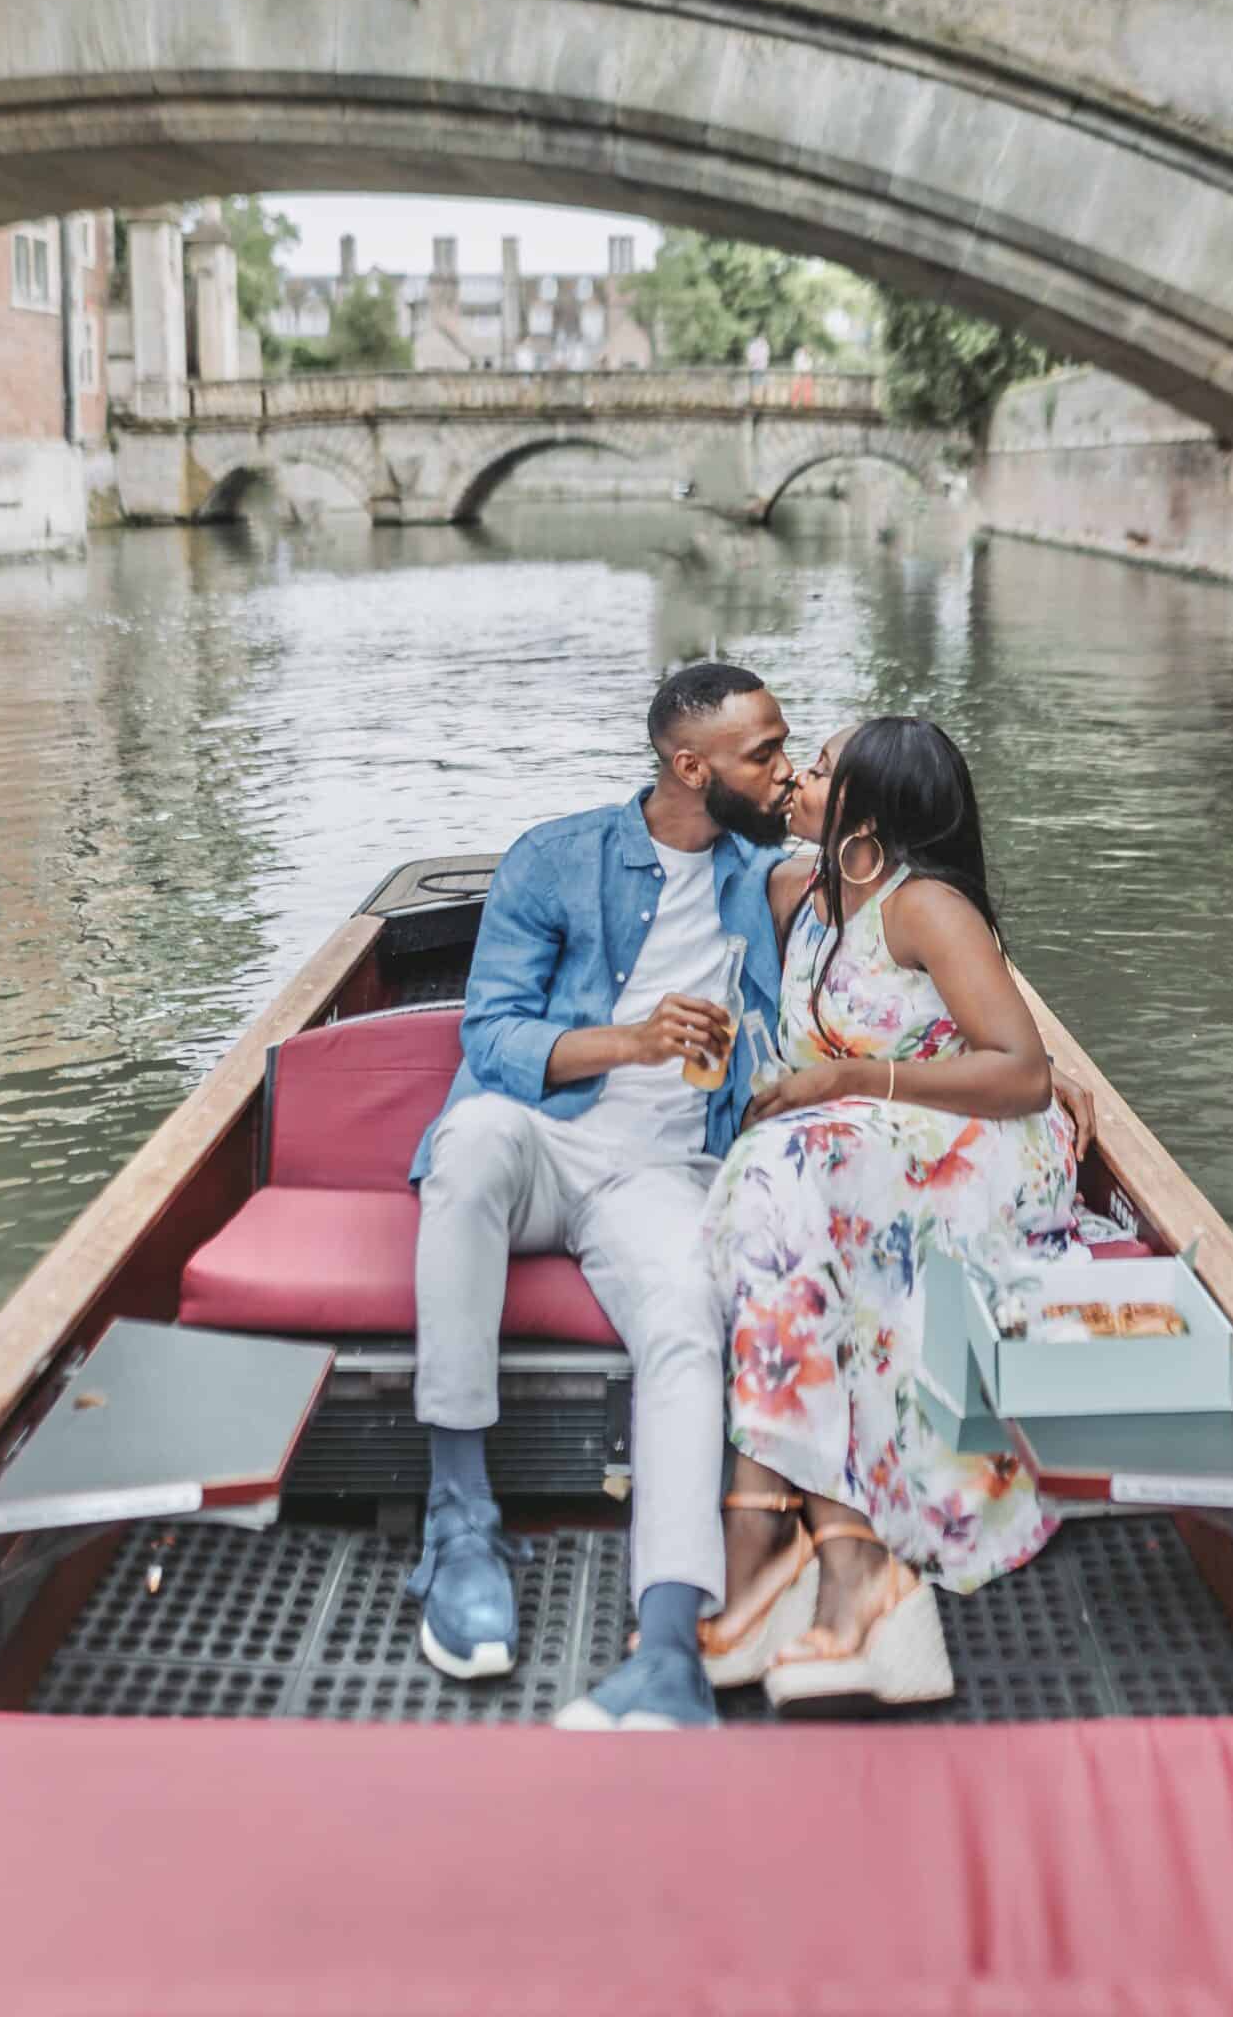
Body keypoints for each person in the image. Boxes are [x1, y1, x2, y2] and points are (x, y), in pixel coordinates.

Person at [406, 661, 794, 1730]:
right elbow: (489, 1035)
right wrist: (630, 1040)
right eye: (763, 752)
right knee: (472, 1136)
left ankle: (668, 1643)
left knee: (685, 1314)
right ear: (690, 765)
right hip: (543, 1141)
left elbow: (913, 911)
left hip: (663, 1174)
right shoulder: (557, 857)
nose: (783, 770)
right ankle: (459, 1520)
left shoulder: (770, 877)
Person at [700, 716, 1081, 1710]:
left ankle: (769, 1540)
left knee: (776, 1180)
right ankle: (835, 1556)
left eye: (819, 770)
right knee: (774, 1183)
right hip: (853, 1147)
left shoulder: (925, 909)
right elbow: (705, 825)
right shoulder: (802, 895)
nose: (798, 780)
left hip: (967, 1146)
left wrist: (849, 1077)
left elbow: (1027, 1074)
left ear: (867, 813)